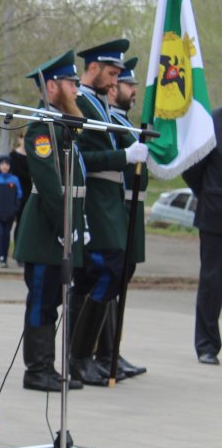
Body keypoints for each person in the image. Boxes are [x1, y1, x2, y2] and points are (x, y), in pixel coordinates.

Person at [70, 40, 148, 386]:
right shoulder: (81, 104)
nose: (115, 81)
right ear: (93, 69)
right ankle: (81, 357)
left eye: (119, 75)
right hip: (95, 202)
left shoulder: (98, 104)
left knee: (103, 275)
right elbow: (81, 158)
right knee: (104, 271)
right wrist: (124, 158)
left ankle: (89, 355)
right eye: (112, 73)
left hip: (110, 201)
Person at [13, 50, 86, 392]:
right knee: (41, 300)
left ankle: (47, 367)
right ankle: (37, 370)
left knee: (52, 301)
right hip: (45, 231)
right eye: (72, 83)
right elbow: (47, 182)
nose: (77, 90)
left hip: (58, 227)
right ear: (53, 86)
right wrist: (65, 226)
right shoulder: (42, 127)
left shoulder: (63, 124)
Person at [101, 56, 148, 378]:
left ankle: (111, 350)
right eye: (128, 84)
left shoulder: (127, 125)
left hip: (135, 207)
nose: (133, 90)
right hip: (120, 207)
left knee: (121, 279)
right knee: (111, 279)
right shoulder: (112, 123)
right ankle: (103, 351)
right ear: (114, 88)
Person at [182, 106, 222, 366]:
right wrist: (208, 193)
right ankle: (206, 344)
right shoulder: (213, 121)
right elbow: (191, 166)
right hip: (217, 214)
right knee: (213, 281)